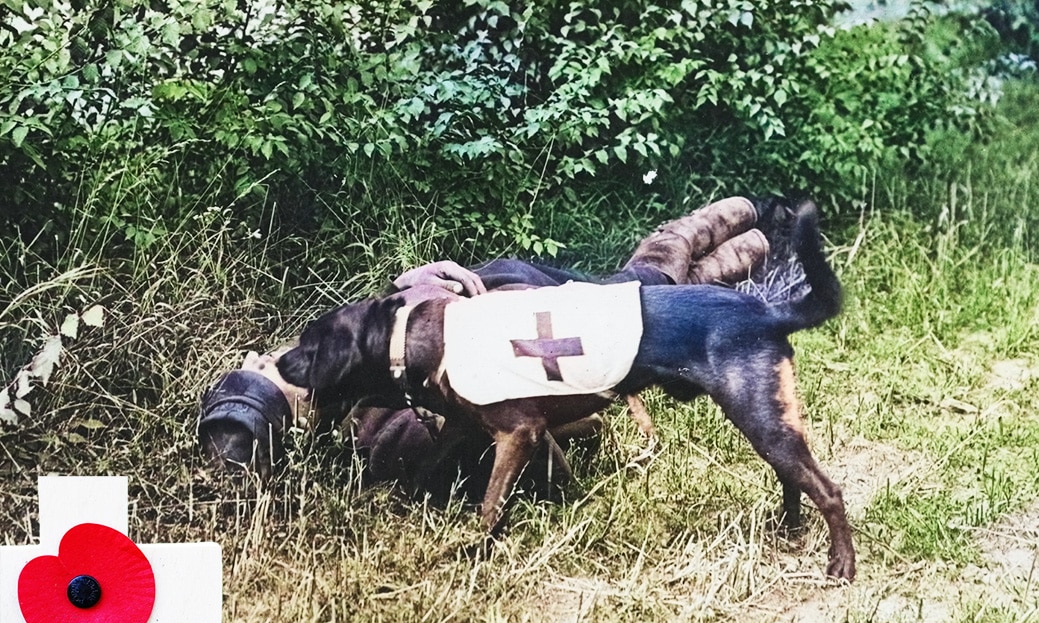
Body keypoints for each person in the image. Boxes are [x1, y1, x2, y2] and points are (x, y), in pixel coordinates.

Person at [198, 196, 787, 497]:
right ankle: (701, 248)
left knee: (634, 287)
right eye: (270, 370)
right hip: (549, 333)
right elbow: (485, 417)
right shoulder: (378, 436)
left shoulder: (339, 367)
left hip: (515, 299)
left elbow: (398, 312)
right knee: (645, 286)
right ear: (300, 416)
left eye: (262, 359)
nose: (266, 357)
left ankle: (709, 256)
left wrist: (428, 280)